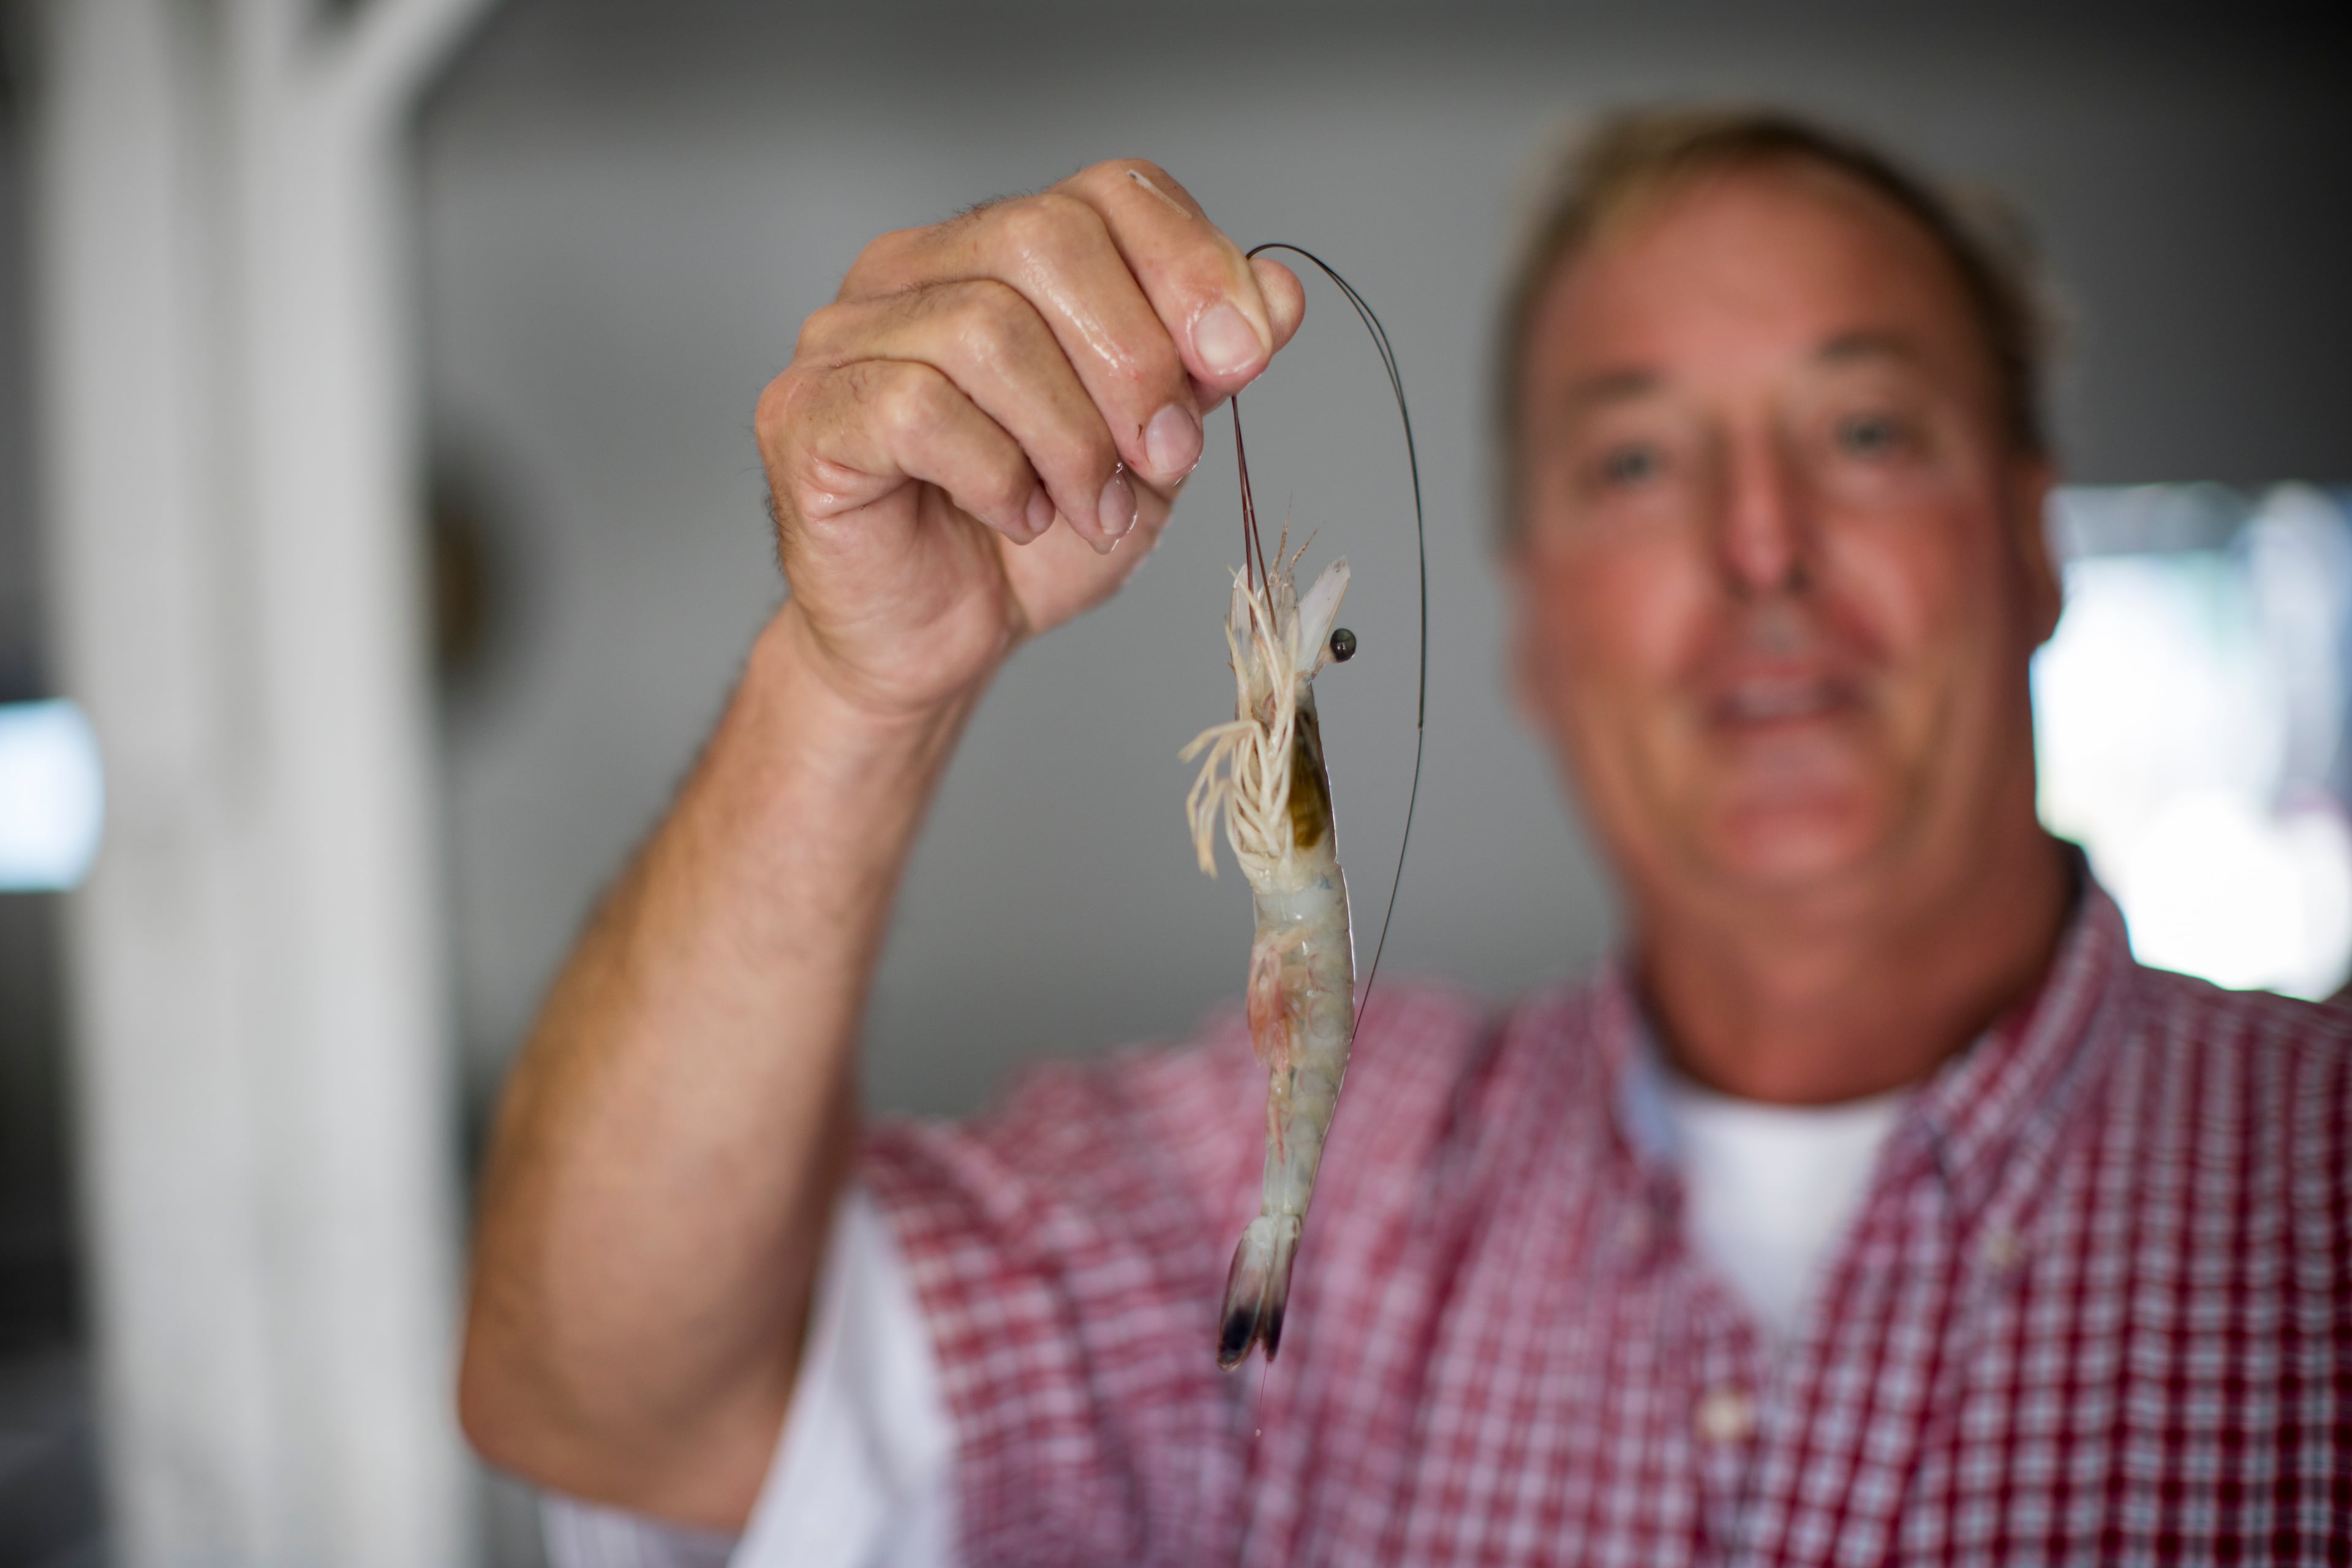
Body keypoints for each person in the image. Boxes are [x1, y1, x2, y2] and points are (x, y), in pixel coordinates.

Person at [458, 109, 2351, 1566]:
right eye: (1636, 461)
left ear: (2035, 543)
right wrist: (856, 682)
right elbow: (602, 1408)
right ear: (1533, 627)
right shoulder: (1330, 1183)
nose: (1760, 548)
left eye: (1866, 434)